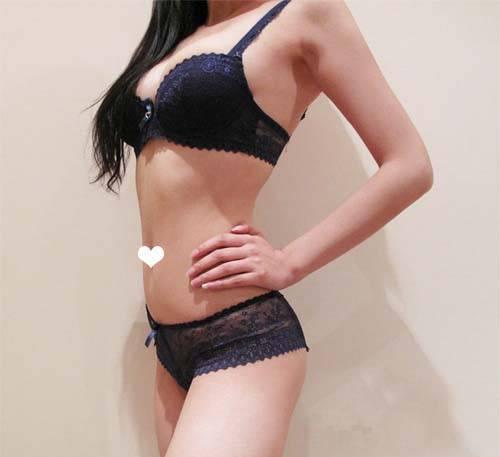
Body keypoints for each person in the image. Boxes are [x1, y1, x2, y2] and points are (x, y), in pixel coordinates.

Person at [87, 0, 433, 455]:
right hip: (167, 347)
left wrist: (290, 262)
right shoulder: (183, 30)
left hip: (241, 338)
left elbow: (410, 166)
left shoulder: (305, 13)